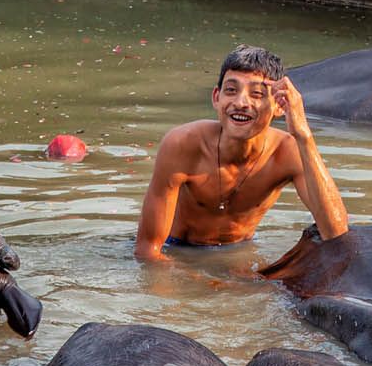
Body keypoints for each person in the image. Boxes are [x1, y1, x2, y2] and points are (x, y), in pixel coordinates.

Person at [134, 46, 349, 263]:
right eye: (231, 90)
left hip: (238, 254)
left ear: (279, 105)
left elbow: (335, 233)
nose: (240, 103)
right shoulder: (183, 144)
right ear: (216, 98)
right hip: (175, 251)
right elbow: (148, 251)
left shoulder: (288, 152)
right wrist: (200, 282)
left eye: (256, 94)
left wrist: (304, 135)